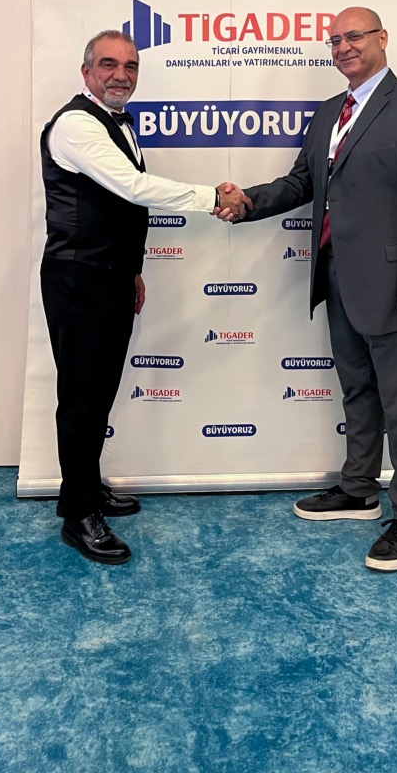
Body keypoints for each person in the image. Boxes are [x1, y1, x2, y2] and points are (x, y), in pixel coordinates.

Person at [217, 7, 397, 572]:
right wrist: (247, 202)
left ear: (382, 38)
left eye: (354, 36)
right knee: (357, 391)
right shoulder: (329, 113)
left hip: (395, 287)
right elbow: (303, 182)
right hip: (336, 276)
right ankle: (358, 488)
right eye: (334, 40)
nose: (343, 46)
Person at [41, 29, 246, 565]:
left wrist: (131, 270)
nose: (121, 75)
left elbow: (121, 207)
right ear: (86, 71)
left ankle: (87, 485)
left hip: (109, 275)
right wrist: (211, 195)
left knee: (99, 390)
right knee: (82, 397)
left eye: (130, 66)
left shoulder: (116, 122)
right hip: (79, 279)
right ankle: (77, 514)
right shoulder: (76, 125)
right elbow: (134, 188)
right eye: (108, 64)